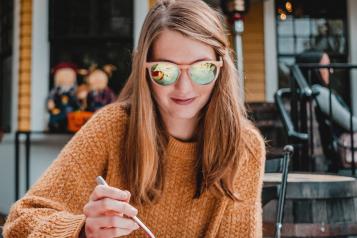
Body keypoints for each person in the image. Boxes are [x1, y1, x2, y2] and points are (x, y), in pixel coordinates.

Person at [3, 0, 265, 237]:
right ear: (145, 71)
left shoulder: (244, 148)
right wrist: (83, 231)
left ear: (221, 68)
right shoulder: (111, 128)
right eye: (164, 71)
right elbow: (20, 223)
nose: (184, 88)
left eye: (202, 69)